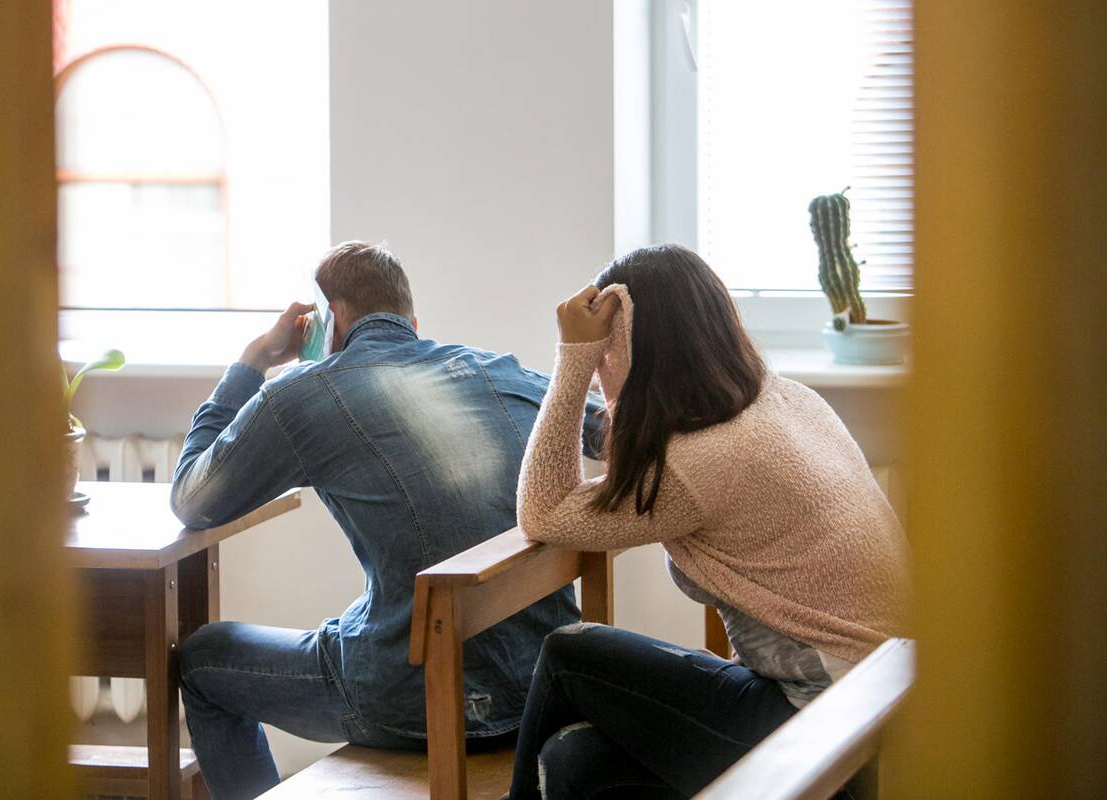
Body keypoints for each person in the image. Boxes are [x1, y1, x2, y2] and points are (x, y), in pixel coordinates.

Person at [170, 241, 604, 800]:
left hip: (417, 697)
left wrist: (253, 361)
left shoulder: (303, 394)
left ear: (329, 321)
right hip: (546, 684)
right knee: (365, 612)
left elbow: (193, 498)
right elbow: (611, 432)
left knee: (203, 659)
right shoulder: (499, 370)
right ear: (412, 324)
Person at [508, 244, 911, 800]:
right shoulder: (787, 401)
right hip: (882, 706)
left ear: (633, 346)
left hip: (828, 729)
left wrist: (574, 356)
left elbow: (543, 510)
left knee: (568, 653)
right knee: (571, 761)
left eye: (608, 348)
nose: (603, 365)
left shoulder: (700, 461)